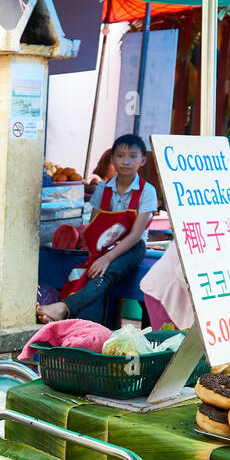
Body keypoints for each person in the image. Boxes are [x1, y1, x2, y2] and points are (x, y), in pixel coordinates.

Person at [43, 133, 157, 324]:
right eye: (120, 156)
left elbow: (136, 234)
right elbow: (95, 227)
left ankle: (64, 307)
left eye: (132, 156)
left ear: (142, 160)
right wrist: (94, 254)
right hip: (104, 246)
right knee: (94, 275)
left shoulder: (147, 191)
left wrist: (106, 258)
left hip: (132, 247)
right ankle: (85, 335)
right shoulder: (102, 189)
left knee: (105, 271)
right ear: (112, 159)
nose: (126, 161)